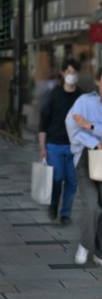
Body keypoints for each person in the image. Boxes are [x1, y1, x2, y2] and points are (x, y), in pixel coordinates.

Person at [38, 59, 83, 224]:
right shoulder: (53, 94)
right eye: (69, 72)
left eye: (74, 72)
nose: (71, 75)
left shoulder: (82, 97)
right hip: (54, 145)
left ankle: (65, 214)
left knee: (72, 181)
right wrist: (42, 147)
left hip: (75, 146)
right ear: (63, 73)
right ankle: (54, 204)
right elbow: (43, 123)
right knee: (57, 178)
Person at [66, 66, 102, 265]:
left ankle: (99, 250)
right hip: (88, 158)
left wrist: (91, 125)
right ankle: (85, 244)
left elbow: (83, 126)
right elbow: (72, 126)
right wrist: (94, 141)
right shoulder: (84, 101)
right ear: (98, 80)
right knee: (92, 206)